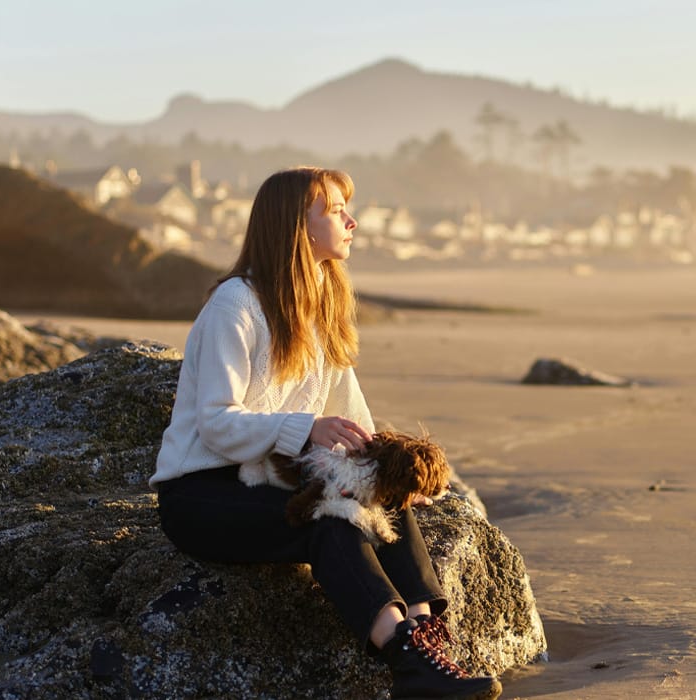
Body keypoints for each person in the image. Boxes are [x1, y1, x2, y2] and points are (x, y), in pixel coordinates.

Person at [150, 166, 502, 700]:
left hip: (270, 485)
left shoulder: (320, 308)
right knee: (330, 519)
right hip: (202, 495)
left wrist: (393, 475)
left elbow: (352, 418)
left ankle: (428, 639)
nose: (351, 221)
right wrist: (306, 428)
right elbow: (217, 425)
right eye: (336, 210)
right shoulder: (235, 306)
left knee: (382, 498)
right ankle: (405, 660)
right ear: (297, 224)